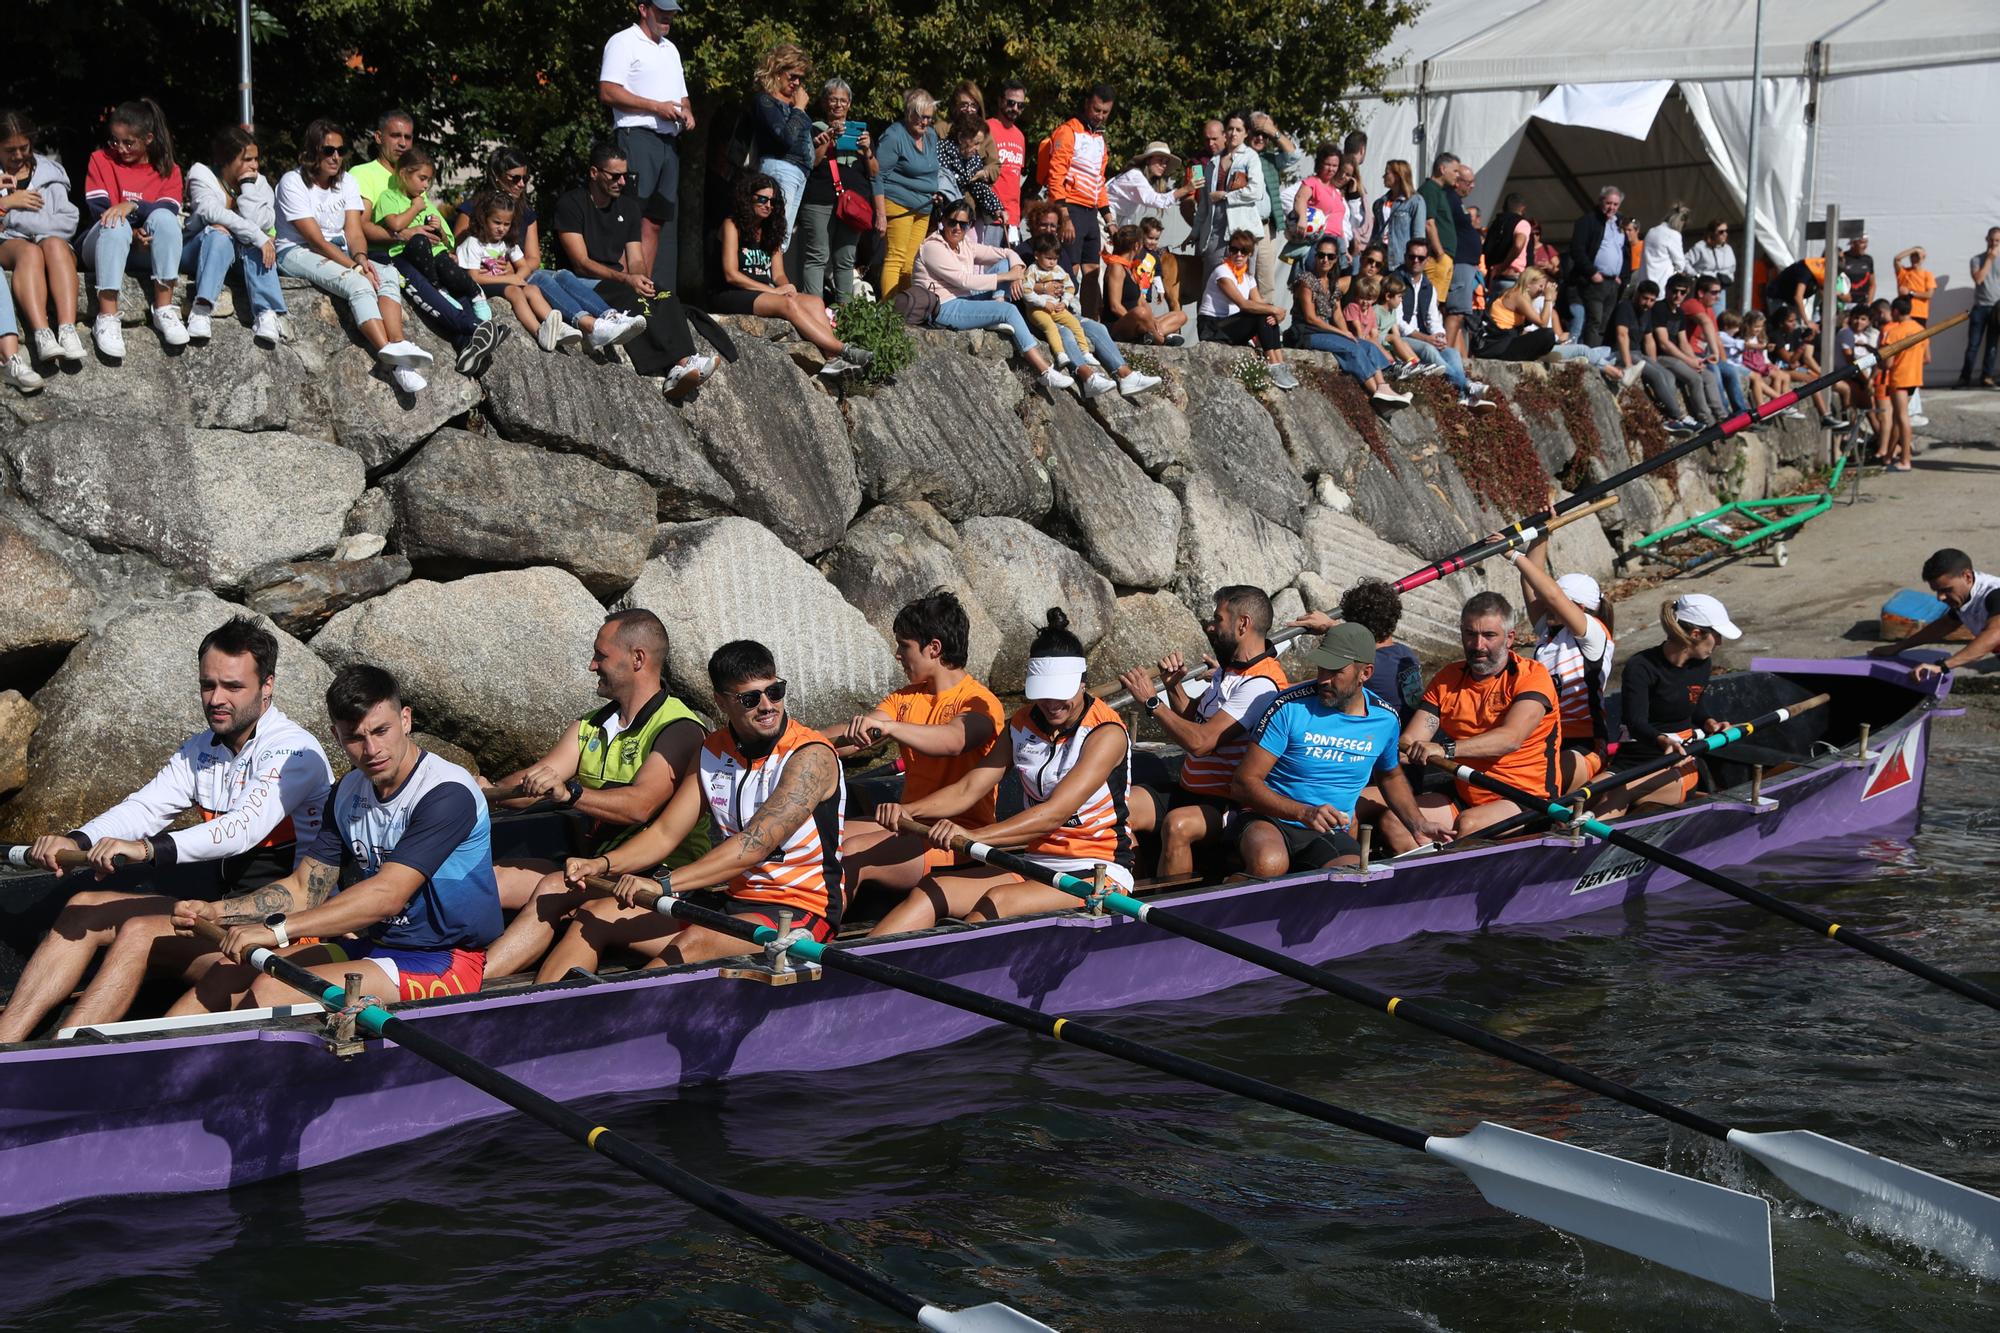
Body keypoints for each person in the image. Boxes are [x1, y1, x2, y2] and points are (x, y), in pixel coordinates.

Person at [0, 618, 333, 1043]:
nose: (216, 699)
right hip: (223, 916)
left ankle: (64, 1054)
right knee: (83, 905)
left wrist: (143, 851)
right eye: (207, 685)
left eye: (233, 687)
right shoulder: (200, 750)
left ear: (267, 687)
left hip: (292, 934)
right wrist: (79, 840)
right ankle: (5, 1044)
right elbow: (144, 808)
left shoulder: (293, 753)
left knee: (140, 931)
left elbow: (240, 831)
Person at [170, 663, 503, 1011]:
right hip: (374, 948)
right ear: (336, 735)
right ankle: (147, 1060)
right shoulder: (346, 792)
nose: (372, 749)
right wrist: (217, 911)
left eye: (381, 730)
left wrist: (275, 932)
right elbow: (304, 888)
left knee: (274, 990)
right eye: (355, 738)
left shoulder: (445, 793)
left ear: (406, 719)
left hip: (446, 961)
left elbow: (386, 896)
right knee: (227, 972)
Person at [538, 640, 847, 980]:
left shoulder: (810, 757)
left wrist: (665, 885)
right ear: (721, 702)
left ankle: (616, 1022)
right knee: (594, 916)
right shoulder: (712, 750)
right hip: (732, 901)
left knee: (694, 943)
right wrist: (604, 864)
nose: (767, 706)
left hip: (800, 910)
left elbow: (752, 847)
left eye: (774, 691)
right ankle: (534, 1017)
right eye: (749, 698)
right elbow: (664, 833)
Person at [478, 610, 710, 979]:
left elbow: (639, 806)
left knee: (556, 884)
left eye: (600, 655)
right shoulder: (590, 724)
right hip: (596, 869)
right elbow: (534, 782)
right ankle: (431, 968)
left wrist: (568, 794)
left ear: (638, 659)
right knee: (489, 878)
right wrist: (485, 790)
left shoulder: (678, 729)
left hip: (661, 881)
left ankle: (473, 983)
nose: (591, 665)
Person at [870, 610, 1132, 934]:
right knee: (931, 891)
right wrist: (909, 811)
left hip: (1097, 873)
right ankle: (846, 976)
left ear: (1082, 682)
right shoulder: (1021, 724)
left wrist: (973, 837)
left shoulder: (1106, 734)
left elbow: (1054, 814)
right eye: (1043, 692)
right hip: (1034, 864)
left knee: (999, 900)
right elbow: (969, 789)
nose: (1051, 703)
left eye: (1061, 691)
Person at [1233, 623, 1450, 874]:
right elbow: (1243, 783)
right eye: (1322, 667)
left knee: (1351, 877)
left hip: (1326, 831)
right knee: (1269, 863)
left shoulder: (1385, 720)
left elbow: (1389, 776)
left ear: (1365, 673)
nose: (1324, 679)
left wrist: (1418, 824)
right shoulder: (1288, 707)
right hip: (1267, 818)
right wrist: (1303, 812)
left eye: (1336, 671)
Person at [839, 591, 1005, 901]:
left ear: (934, 648)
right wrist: (794, 742)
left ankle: (814, 940)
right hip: (906, 821)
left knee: (852, 852)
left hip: (955, 834)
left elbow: (954, 740)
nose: (897, 654)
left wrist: (890, 727)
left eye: (904, 645)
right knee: (820, 838)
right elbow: (856, 736)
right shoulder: (906, 697)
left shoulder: (981, 704)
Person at [1119, 586, 1289, 878]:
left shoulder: (1261, 684)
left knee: (1178, 825)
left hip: (1228, 803)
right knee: (1118, 808)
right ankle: (1133, 887)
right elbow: (1194, 719)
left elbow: (1201, 743)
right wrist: (1173, 687)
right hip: (1191, 790)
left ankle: (1171, 903)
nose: (1210, 626)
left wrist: (1151, 702)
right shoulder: (1231, 670)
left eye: (1218, 619)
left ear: (1243, 624)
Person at [1377, 591, 1560, 850]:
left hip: (1526, 800)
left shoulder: (1532, 677)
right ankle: (1431, 885)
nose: (1477, 645)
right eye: (1470, 634)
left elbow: (1510, 739)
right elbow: (1410, 741)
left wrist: (1445, 750)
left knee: (1469, 824)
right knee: (1394, 822)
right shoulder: (1448, 678)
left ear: (1510, 638)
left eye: (1489, 636)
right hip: (1467, 794)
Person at [274, 119, 431, 393]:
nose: (336, 156)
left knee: (387, 273)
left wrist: (361, 258)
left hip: (341, 249)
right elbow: (315, 239)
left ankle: (397, 343)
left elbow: (355, 230)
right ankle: (392, 358)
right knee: (358, 284)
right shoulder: (293, 182)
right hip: (296, 251)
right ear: (312, 152)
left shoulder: (346, 182)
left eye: (340, 150)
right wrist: (355, 269)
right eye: (328, 150)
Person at [550, 141, 715, 389]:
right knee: (632, 298)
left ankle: (685, 361)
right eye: (615, 176)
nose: (622, 182)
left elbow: (636, 258)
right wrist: (628, 280)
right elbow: (581, 263)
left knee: (664, 295)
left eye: (625, 175)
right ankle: (674, 365)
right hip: (580, 282)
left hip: (616, 279)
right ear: (594, 173)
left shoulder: (628, 207)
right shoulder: (571, 204)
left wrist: (641, 279)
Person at [712, 171, 871, 378]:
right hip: (732, 292)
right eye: (762, 199)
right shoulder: (732, 225)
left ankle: (832, 359)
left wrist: (786, 288)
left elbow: (778, 275)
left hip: (765, 292)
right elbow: (731, 274)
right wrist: (776, 293)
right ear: (747, 198)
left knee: (814, 301)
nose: (768, 205)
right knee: (787, 305)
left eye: (772, 201)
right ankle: (844, 350)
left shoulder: (771, 230)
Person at [374, 145, 510, 375]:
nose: (425, 186)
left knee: (453, 275)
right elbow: (395, 225)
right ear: (404, 174)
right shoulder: (390, 197)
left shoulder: (425, 201)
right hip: (406, 259)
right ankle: (479, 329)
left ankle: (469, 348)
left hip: (435, 259)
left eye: (428, 181)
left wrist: (439, 231)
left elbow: (448, 243)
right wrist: (415, 210)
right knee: (421, 250)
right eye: (422, 179)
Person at [1598, 594, 1739, 814]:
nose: (1720, 642)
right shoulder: (1641, 666)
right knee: (1580, 798)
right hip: (1633, 759)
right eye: (1717, 635)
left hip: (1677, 762)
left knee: (1612, 794)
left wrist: (1710, 722)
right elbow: (1635, 722)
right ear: (1695, 634)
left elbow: (1695, 705)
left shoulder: (1702, 664)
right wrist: (1661, 740)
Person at [916, 198, 1072, 393]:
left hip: (963, 300)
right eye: (951, 222)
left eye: (963, 224)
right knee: (1008, 309)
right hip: (942, 307)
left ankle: (997, 305)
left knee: (1004, 262)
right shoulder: (933, 247)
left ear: (970, 225)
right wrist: (1007, 276)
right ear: (943, 221)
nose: (957, 228)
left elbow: (1006, 252)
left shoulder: (965, 244)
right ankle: (1044, 371)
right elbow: (963, 281)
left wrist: (1016, 270)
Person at [1006, 203, 1161, 397]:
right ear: (1034, 225)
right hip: (1037, 313)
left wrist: (1062, 291)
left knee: (1097, 327)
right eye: (1044, 225)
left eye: (1053, 226)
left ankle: (1125, 375)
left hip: (1061, 308)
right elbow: (1017, 285)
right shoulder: (1023, 252)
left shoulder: (1057, 250)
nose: (1049, 230)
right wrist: (1044, 288)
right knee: (1066, 333)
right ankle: (1088, 377)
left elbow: (1072, 283)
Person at [76, 98, 188, 357]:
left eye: (129, 142)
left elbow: (167, 212)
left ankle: (163, 309)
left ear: (148, 138)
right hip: (102, 242)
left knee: (165, 221)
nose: (120, 148)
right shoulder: (100, 159)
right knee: (116, 224)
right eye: (115, 140)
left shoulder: (169, 170)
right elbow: (98, 208)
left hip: (143, 248)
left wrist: (133, 205)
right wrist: (130, 225)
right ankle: (107, 316)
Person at [1507, 536, 1614, 789]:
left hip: (1585, 745)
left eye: (1552, 602)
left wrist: (1513, 555)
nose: (1544, 604)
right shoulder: (1549, 630)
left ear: (1578, 608)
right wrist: (1541, 534)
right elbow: (1530, 581)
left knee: (1550, 775)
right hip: (1545, 737)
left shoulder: (1594, 633)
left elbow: (1553, 596)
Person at [600, 0, 693, 288]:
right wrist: (655, 107)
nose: (667, 17)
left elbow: (682, 95)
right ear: (643, 9)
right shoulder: (623, 42)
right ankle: (622, 290)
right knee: (631, 217)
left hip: (668, 142)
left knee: (655, 221)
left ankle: (644, 290)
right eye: (661, 11)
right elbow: (607, 90)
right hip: (637, 138)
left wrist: (687, 112)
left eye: (671, 13)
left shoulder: (671, 48)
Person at [182, 126, 288, 349]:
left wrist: (247, 187)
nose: (254, 165)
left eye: (256, 159)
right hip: (199, 249)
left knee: (259, 243)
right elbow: (210, 212)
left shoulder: (258, 182)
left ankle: (266, 313)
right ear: (227, 160)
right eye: (247, 159)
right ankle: (201, 308)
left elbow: (265, 222)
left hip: (240, 256)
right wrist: (256, 234)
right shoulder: (202, 173)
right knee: (220, 234)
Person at [0, 109, 85, 369]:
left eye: (23, 148)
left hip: (51, 244)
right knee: (30, 251)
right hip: (10, 247)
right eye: (9, 150)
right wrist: (6, 202)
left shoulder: (52, 173)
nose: (17, 156)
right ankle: (42, 333)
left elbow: (68, 220)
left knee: (53, 245)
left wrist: (15, 220)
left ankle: (68, 331)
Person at [1288, 237, 1407, 408]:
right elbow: (1310, 318)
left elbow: (1337, 313)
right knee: (1351, 349)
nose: (1325, 260)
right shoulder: (1306, 280)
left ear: (1336, 259)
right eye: (1321, 255)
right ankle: (1377, 394)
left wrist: (1348, 334)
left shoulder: (1332, 283)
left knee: (1366, 345)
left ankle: (1382, 388)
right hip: (1306, 333)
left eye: (1330, 256)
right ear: (1315, 256)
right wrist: (1342, 333)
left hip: (1324, 332)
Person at [790, 79, 873, 304]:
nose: (838, 105)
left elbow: (874, 172)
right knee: (817, 256)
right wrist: (827, 139)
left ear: (849, 104)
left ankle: (845, 316)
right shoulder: (813, 128)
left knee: (845, 259)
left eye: (842, 101)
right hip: (820, 199)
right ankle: (814, 311)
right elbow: (812, 163)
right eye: (833, 99)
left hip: (853, 204)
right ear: (825, 102)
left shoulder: (859, 132)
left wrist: (867, 149)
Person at [455, 191, 569, 354]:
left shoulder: (506, 242)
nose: (502, 228)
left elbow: (523, 266)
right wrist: (512, 279)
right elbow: (473, 277)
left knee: (532, 289)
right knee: (514, 291)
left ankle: (558, 327)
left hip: (502, 281)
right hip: (481, 287)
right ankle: (539, 332)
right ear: (483, 219)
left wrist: (518, 277)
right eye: (497, 222)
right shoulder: (473, 243)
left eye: (506, 224)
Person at [1872, 548, 2000, 683]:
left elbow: (1994, 634)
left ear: (1967, 576)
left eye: (1946, 590)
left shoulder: (1995, 594)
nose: (1940, 597)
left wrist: (1943, 666)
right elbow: (1946, 624)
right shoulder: (1965, 594)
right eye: (1937, 591)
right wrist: (1898, 647)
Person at [1043, 85, 1116, 319]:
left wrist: (1109, 220)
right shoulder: (1068, 131)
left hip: (1090, 210)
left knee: (1093, 271)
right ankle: (1059, 316)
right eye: (1097, 110)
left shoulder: (1100, 140)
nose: (1100, 116)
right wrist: (1063, 215)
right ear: (1087, 104)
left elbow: (1099, 181)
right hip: (1070, 207)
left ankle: (1089, 321)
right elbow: (1055, 175)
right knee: (1069, 267)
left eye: (1105, 112)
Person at [1200, 228, 1299, 390]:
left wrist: (1274, 312)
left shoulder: (1248, 277)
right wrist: (1274, 310)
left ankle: (1279, 362)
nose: (1238, 254)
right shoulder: (1222, 272)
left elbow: (1260, 304)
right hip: (1212, 327)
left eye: (1244, 251)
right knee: (1261, 313)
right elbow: (1243, 304)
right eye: (1234, 249)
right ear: (1229, 250)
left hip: (1230, 325)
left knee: (1265, 313)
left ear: (1250, 254)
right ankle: (1272, 364)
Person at [873, 89, 939, 299]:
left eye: (929, 117)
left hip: (924, 206)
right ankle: (889, 311)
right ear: (910, 112)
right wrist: (881, 214)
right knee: (896, 257)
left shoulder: (931, 136)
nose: (925, 122)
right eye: (921, 117)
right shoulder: (894, 136)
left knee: (911, 261)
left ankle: (904, 310)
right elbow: (877, 176)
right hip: (898, 202)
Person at [746, 43, 814, 238]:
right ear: (777, 71)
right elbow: (784, 138)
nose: (796, 83)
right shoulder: (766, 101)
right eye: (792, 76)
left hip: (798, 173)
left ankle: (774, 269)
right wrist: (799, 109)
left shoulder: (790, 105)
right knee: (771, 232)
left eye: (800, 78)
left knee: (780, 236)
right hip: (779, 169)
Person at [1204, 113, 1268, 279]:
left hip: (1243, 232)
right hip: (1215, 232)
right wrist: (1196, 232)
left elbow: (1256, 191)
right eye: (1230, 129)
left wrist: (1226, 196)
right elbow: (1206, 201)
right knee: (1211, 284)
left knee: (1243, 285)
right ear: (1225, 132)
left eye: (1238, 129)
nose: (1233, 133)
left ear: (1246, 133)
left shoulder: (1251, 157)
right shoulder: (1213, 161)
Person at [1567, 185, 1631, 348]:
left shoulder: (1620, 223)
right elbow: (1576, 249)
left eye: (1616, 204)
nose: (1612, 208)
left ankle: (1598, 356)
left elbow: (1624, 252)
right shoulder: (1588, 221)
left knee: (1604, 322)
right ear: (1600, 201)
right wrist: (1592, 272)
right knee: (1594, 320)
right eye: (1608, 203)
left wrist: (1621, 277)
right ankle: (1591, 357)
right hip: (1595, 280)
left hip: (1612, 282)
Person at [1020, 233, 1093, 375]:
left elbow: (1070, 287)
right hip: (1037, 309)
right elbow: (1026, 291)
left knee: (1075, 323)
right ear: (1037, 255)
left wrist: (1065, 302)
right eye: (1048, 258)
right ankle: (1060, 354)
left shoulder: (1059, 271)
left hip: (1056, 307)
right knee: (1050, 327)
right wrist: (1042, 302)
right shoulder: (1032, 270)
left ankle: (1085, 351)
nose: (1052, 262)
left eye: (1055, 258)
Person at [1103, 224, 1187, 345]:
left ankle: (1148, 335)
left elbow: (1141, 301)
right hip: (1119, 324)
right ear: (1137, 246)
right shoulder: (1116, 267)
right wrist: (1140, 320)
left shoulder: (1131, 268)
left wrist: (1152, 321)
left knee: (1180, 316)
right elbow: (1115, 306)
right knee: (1140, 312)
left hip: (1139, 323)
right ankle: (1161, 340)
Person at [1874, 295, 1925, 471]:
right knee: (1898, 418)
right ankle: (1889, 456)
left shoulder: (1895, 332)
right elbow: (1927, 358)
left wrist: (1878, 362)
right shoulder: (1921, 329)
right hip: (1914, 378)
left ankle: (1905, 459)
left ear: (1895, 311)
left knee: (1902, 418)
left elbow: (1887, 363)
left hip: (1899, 378)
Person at [1416, 152, 1460, 332]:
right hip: (1436, 257)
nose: (1457, 175)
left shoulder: (1440, 192)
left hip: (1445, 256)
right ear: (1442, 169)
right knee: (1430, 300)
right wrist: (1440, 252)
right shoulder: (1430, 189)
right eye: (1455, 170)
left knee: (1438, 302)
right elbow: (1429, 222)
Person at [986, 82, 1029, 242]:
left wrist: (1016, 218)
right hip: (991, 215)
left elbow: (1014, 178)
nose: (1015, 108)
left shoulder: (1020, 136)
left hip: (1013, 218)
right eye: (1011, 103)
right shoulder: (987, 128)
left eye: (1020, 105)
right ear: (1000, 101)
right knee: (988, 266)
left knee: (1012, 266)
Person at [1959, 228, 2000, 388]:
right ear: (1986, 239)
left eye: (1997, 240)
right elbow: (1979, 279)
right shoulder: (1976, 259)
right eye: (1991, 239)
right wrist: (1989, 259)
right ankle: (1965, 377)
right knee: (1973, 345)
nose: (1994, 243)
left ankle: (1987, 377)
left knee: (1992, 345)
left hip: (1997, 308)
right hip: (1980, 308)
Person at [1378, 159, 1424, 273]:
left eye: (1386, 173)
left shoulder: (1415, 201)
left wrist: (1415, 260)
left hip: (1400, 261)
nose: (1383, 177)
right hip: (1380, 258)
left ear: (1398, 176)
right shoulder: (1380, 202)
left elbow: (1418, 235)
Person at [1483, 191, 1532, 296]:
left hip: (1494, 279)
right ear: (1522, 208)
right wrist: (1504, 265)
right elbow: (1519, 245)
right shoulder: (1522, 223)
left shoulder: (1495, 223)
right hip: (1513, 279)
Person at [1687, 219, 1736, 307]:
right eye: (1721, 232)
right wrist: (1696, 275)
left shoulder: (1728, 249)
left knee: (1716, 316)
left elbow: (1732, 268)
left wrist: (1729, 278)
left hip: (1720, 289)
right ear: (1712, 233)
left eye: (1726, 231)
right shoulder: (1701, 247)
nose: (1725, 234)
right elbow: (1685, 262)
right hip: (1704, 289)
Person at [1641, 203, 1690, 290]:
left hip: (1644, 282)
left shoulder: (1651, 231)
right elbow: (1680, 264)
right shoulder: (1674, 235)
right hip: (1662, 285)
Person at [1842, 234, 1876, 308]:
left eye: (1866, 242)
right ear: (1853, 243)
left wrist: (1869, 303)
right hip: (1844, 302)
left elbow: (1872, 284)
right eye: (1862, 243)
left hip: (1862, 302)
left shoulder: (1868, 259)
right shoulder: (1843, 258)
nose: (1865, 246)